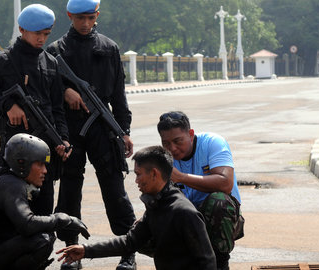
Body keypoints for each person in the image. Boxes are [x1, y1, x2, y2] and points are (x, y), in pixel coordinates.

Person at [45, 0, 136, 268]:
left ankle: (128, 250)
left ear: (97, 15)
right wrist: (65, 93)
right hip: (69, 128)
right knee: (70, 190)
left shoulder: (109, 48)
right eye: (80, 18)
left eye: (90, 17)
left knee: (114, 189)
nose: (85, 23)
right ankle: (71, 252)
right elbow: (46, 89)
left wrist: (124, 131)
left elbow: (119, 94)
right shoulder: (55, 50)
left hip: (103, 128)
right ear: (70, 15)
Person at [0, 4, 70, 215]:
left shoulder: (51, 63)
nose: (42, 39)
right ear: (22, 29)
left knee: (43, 214)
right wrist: (7, 106)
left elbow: (57, 109)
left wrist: (63, 138)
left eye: (46, 34)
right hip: (15, 154)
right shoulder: (2, 61)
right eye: (37, 33)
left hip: (45, 153)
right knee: (13, 215)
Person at [57, 146, 217, 269]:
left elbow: (207, 260)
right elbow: (130, 242)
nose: (136, 181)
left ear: (154, 173)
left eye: (139, 174)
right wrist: (85, 250)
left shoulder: (183, 212)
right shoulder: (157, 204)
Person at [0, 133, 89, 270]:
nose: (45, 171)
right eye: (40, 164)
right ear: (22, 163)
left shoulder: (8, 180)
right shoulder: (11, 185)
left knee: (46, 234)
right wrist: (63, 219)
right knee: (42, 240)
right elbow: (27, 224)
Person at [157, 111, 245, 270]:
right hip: (189, 219)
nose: (173, 149)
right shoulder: (163, 159)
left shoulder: (212, 143)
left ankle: (220, 264)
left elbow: (225, 183)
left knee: (218, 202)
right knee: (152, 224)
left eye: (178, 141)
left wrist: (182, 177)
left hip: (220, 219)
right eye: (166, 144)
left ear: (190, 134)